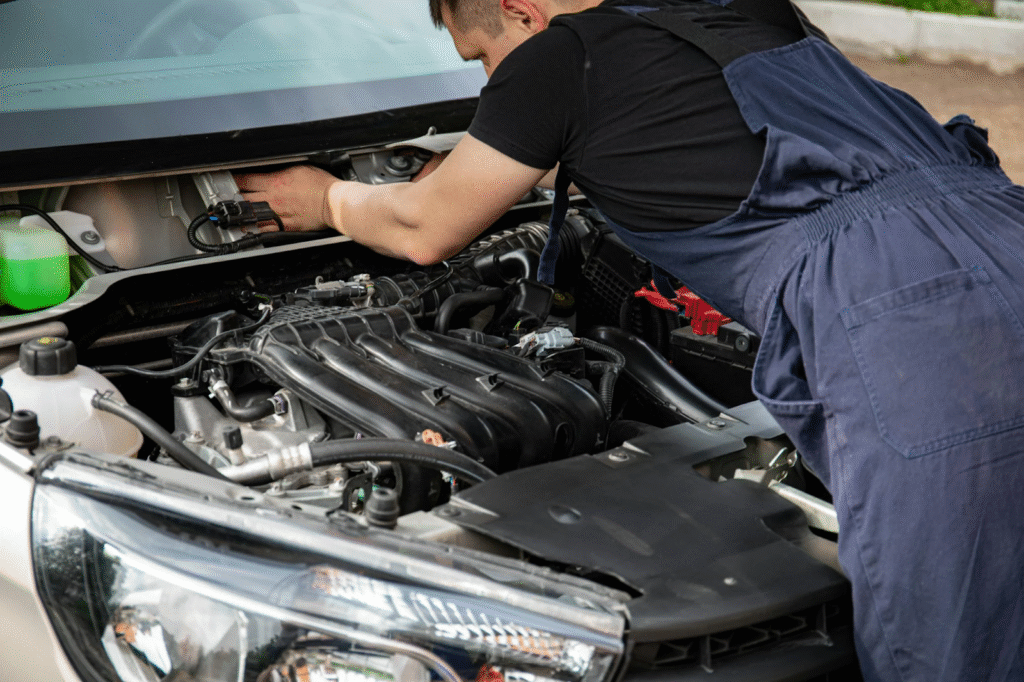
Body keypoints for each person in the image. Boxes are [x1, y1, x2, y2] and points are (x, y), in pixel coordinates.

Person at [236, 1, 1024, 679]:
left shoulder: (557, 58)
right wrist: (476, 162)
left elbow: (419, 229)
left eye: (480, 58)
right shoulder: (739, 10)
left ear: (520, 9)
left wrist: (327, 198)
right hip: (1001, 230)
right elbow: (694, 133)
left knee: (948, 623)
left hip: (906, 312)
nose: (488, 85)